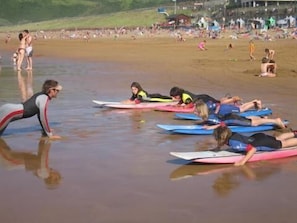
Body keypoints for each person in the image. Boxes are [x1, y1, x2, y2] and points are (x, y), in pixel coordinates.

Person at [213, 125, 297, 166]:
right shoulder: (230, 134)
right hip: (257, 137)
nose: (216, 140)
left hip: (262, 143)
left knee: (283, 144)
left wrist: (242, 162)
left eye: (217, 138)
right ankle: (294, 133)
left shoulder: (235, 144)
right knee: (277, 138)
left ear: (222, 138)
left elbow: (252, 149)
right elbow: (223, 140)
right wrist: (218, 147)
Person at [194, 99, 286, 129]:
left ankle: (275, 121)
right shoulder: (208, 116)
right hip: (230, 117)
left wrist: (210, 127)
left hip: (231, 119)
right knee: (250, 120)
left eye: (196, 111)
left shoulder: (208, 118)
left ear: (200, 112)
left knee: (253, 123)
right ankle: (263, 117)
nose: (194, 112)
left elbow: (221, 123)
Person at [169, 87, 243, 109]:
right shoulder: (183, 95)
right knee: (217, 101)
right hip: (203, 97)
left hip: (204, 99)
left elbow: (190, 105)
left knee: (218, 103)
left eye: (175, 96)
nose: (174, 98)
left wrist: (183, 108)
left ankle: (233, 99)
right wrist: (177, 105)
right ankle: (230, 98)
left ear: (178, 94)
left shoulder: (185, 96)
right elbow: (181, 102)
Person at [194, 97, 262, 117]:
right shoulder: (206, 106)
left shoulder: (209, 106)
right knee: (240, 107)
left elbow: (218, 104)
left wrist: (216, 113)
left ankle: (254, 103)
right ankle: (254, 101)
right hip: (223, 108)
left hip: (224, 109)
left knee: (241, 109)